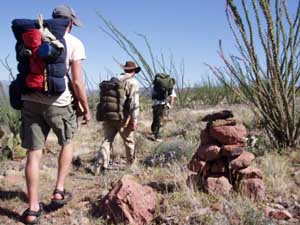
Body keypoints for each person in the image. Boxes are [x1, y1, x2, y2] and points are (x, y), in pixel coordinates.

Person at [19, 5, 90, 224]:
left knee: (34, 152)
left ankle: (32, 209)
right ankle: (58, 191)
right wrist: (85, 108)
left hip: (30, 99)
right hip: (58, 102)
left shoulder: (34, 36)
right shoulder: (74, 43)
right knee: (67, 142)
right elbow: (77, 82)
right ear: (70, 22)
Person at [94, 61, 140, 174]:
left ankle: (99, 166)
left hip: (108, 116)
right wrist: (134, 119)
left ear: (125, 69)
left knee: (107, 140)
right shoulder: (133, 82)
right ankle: (131, 166)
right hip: (123, 117)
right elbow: (134, 103)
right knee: (129, 141)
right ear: (133, 71)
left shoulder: (114, 80)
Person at [151, 73, 176, 141]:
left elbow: (151, 95)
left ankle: (155, 133)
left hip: (155, 105)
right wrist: (170, 105)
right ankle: (157, 135)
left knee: (156, 119)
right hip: (165, 104)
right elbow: (172, 96)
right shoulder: (169, 87)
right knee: (161, 119)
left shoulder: (155, 86)